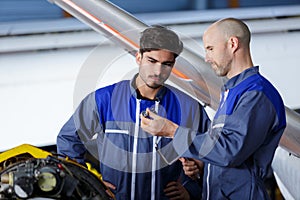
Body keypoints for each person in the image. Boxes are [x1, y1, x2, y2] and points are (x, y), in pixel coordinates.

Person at [57, 26, 211, 200]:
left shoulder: (188, 107)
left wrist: (190, 189)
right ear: (139, 57)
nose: (158, 71)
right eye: (152, 61)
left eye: (166, 64)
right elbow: (68, 139)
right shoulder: (104, 100)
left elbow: (212, 154)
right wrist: (88, 183)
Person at [141, 18, 287, 199]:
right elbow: (225, 153)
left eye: (210, 49)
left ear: (232, 44)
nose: (207, 58)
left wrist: (172, 131)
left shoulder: (256, 95)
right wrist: (203, 167)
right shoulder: (232, 92)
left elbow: (229, 151)